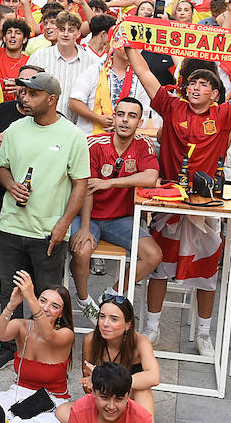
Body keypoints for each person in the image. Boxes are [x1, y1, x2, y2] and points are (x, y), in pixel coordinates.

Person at [126, 46, 231, 353]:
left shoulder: (225, 115)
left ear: (216, 94)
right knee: (160, 267)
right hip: (169, 201)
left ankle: (203, 333)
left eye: (204, 85)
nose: (195, 88)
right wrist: (129, 47)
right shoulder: (173, 107)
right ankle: (152, 327)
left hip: (207, 203)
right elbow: (145, 73)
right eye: (192, 83)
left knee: (207, 272)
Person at [0, 73, 88, 309]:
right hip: (10, 226)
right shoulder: (15, 129)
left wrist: (63, 225)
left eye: (33, 94)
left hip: (48, 232)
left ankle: (45, 345)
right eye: (24, 92)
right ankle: (10, 347)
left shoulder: (73, 136)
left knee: (48, 300)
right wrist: (10, 184)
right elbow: (2, 167)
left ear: (52, 100)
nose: (25, 98)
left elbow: (81, 185)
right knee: (9, 295)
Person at [67, 97, 161, 319]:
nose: (125, 121)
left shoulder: (143, 144)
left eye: (132, 116)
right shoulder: (94, 144)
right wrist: (85, 227)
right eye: (121, 114)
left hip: (121, 219)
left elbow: (151, 177)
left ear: (139, 122)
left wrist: (110, 182)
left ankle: (111, 294)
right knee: (81, 250)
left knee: (154, 255)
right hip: (88, 215)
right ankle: (83, 300)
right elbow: (87, 188)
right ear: (113, 118)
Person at [0, 273, 74, 423]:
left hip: (51, 401)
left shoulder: (66, 334)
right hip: (18, 393)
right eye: (42, 301)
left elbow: (48, 336)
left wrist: (32, 298)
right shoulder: (22, 326)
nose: (46, 308)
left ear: (62, 314)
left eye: (55, 306)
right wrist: (12, 305)